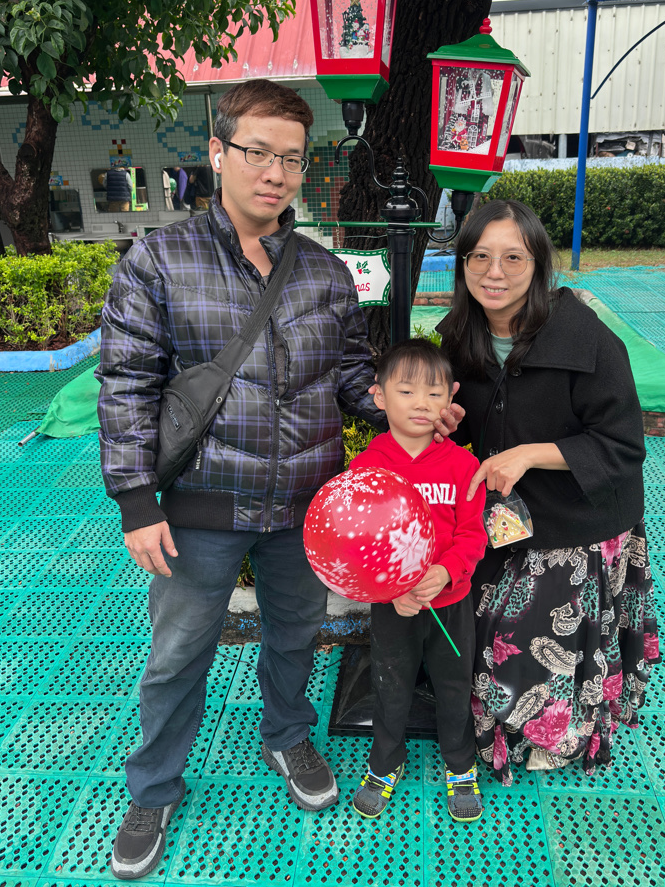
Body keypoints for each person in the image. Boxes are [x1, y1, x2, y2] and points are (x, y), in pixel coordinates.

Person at [96, 79, 461, 880]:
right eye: (258, 152)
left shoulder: (323, 272)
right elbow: (125, 385)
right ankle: (153, 787)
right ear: (218, 153)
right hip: (201, 507)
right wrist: (135, 502)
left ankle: (287, 737)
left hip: (307, 506)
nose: (276, 173)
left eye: (292, 159)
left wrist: (411, 407)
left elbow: (352, 376)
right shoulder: (160, 260)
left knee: (296, 633)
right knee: (177, 654)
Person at [438, 199, 658, 784]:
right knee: (482, 634)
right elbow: (461, 422)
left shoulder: (587, 340)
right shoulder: (457, 337)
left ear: (538, 265)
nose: (494, 272)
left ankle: (557, 735)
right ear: (462, 265)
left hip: (577, 522)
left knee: (534, 641)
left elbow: (622, 446)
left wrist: (530, 454)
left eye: (513, 257)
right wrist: (441, 421)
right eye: (479, 257)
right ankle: (496, 725)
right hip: (497, 520)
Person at [349, 339, 487, 822]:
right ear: (379, 396)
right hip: (394, 608)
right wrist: (392, 591)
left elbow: (473, 535)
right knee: (390, 686)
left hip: (452, 603)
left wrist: (446, 571)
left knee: (454, 687)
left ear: (450, 397)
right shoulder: (366, 469)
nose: (421, 403)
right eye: (406, 391)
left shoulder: (463, 466)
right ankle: (386, 762)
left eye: (434, 393)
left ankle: (461, 764)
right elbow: (358, 545)